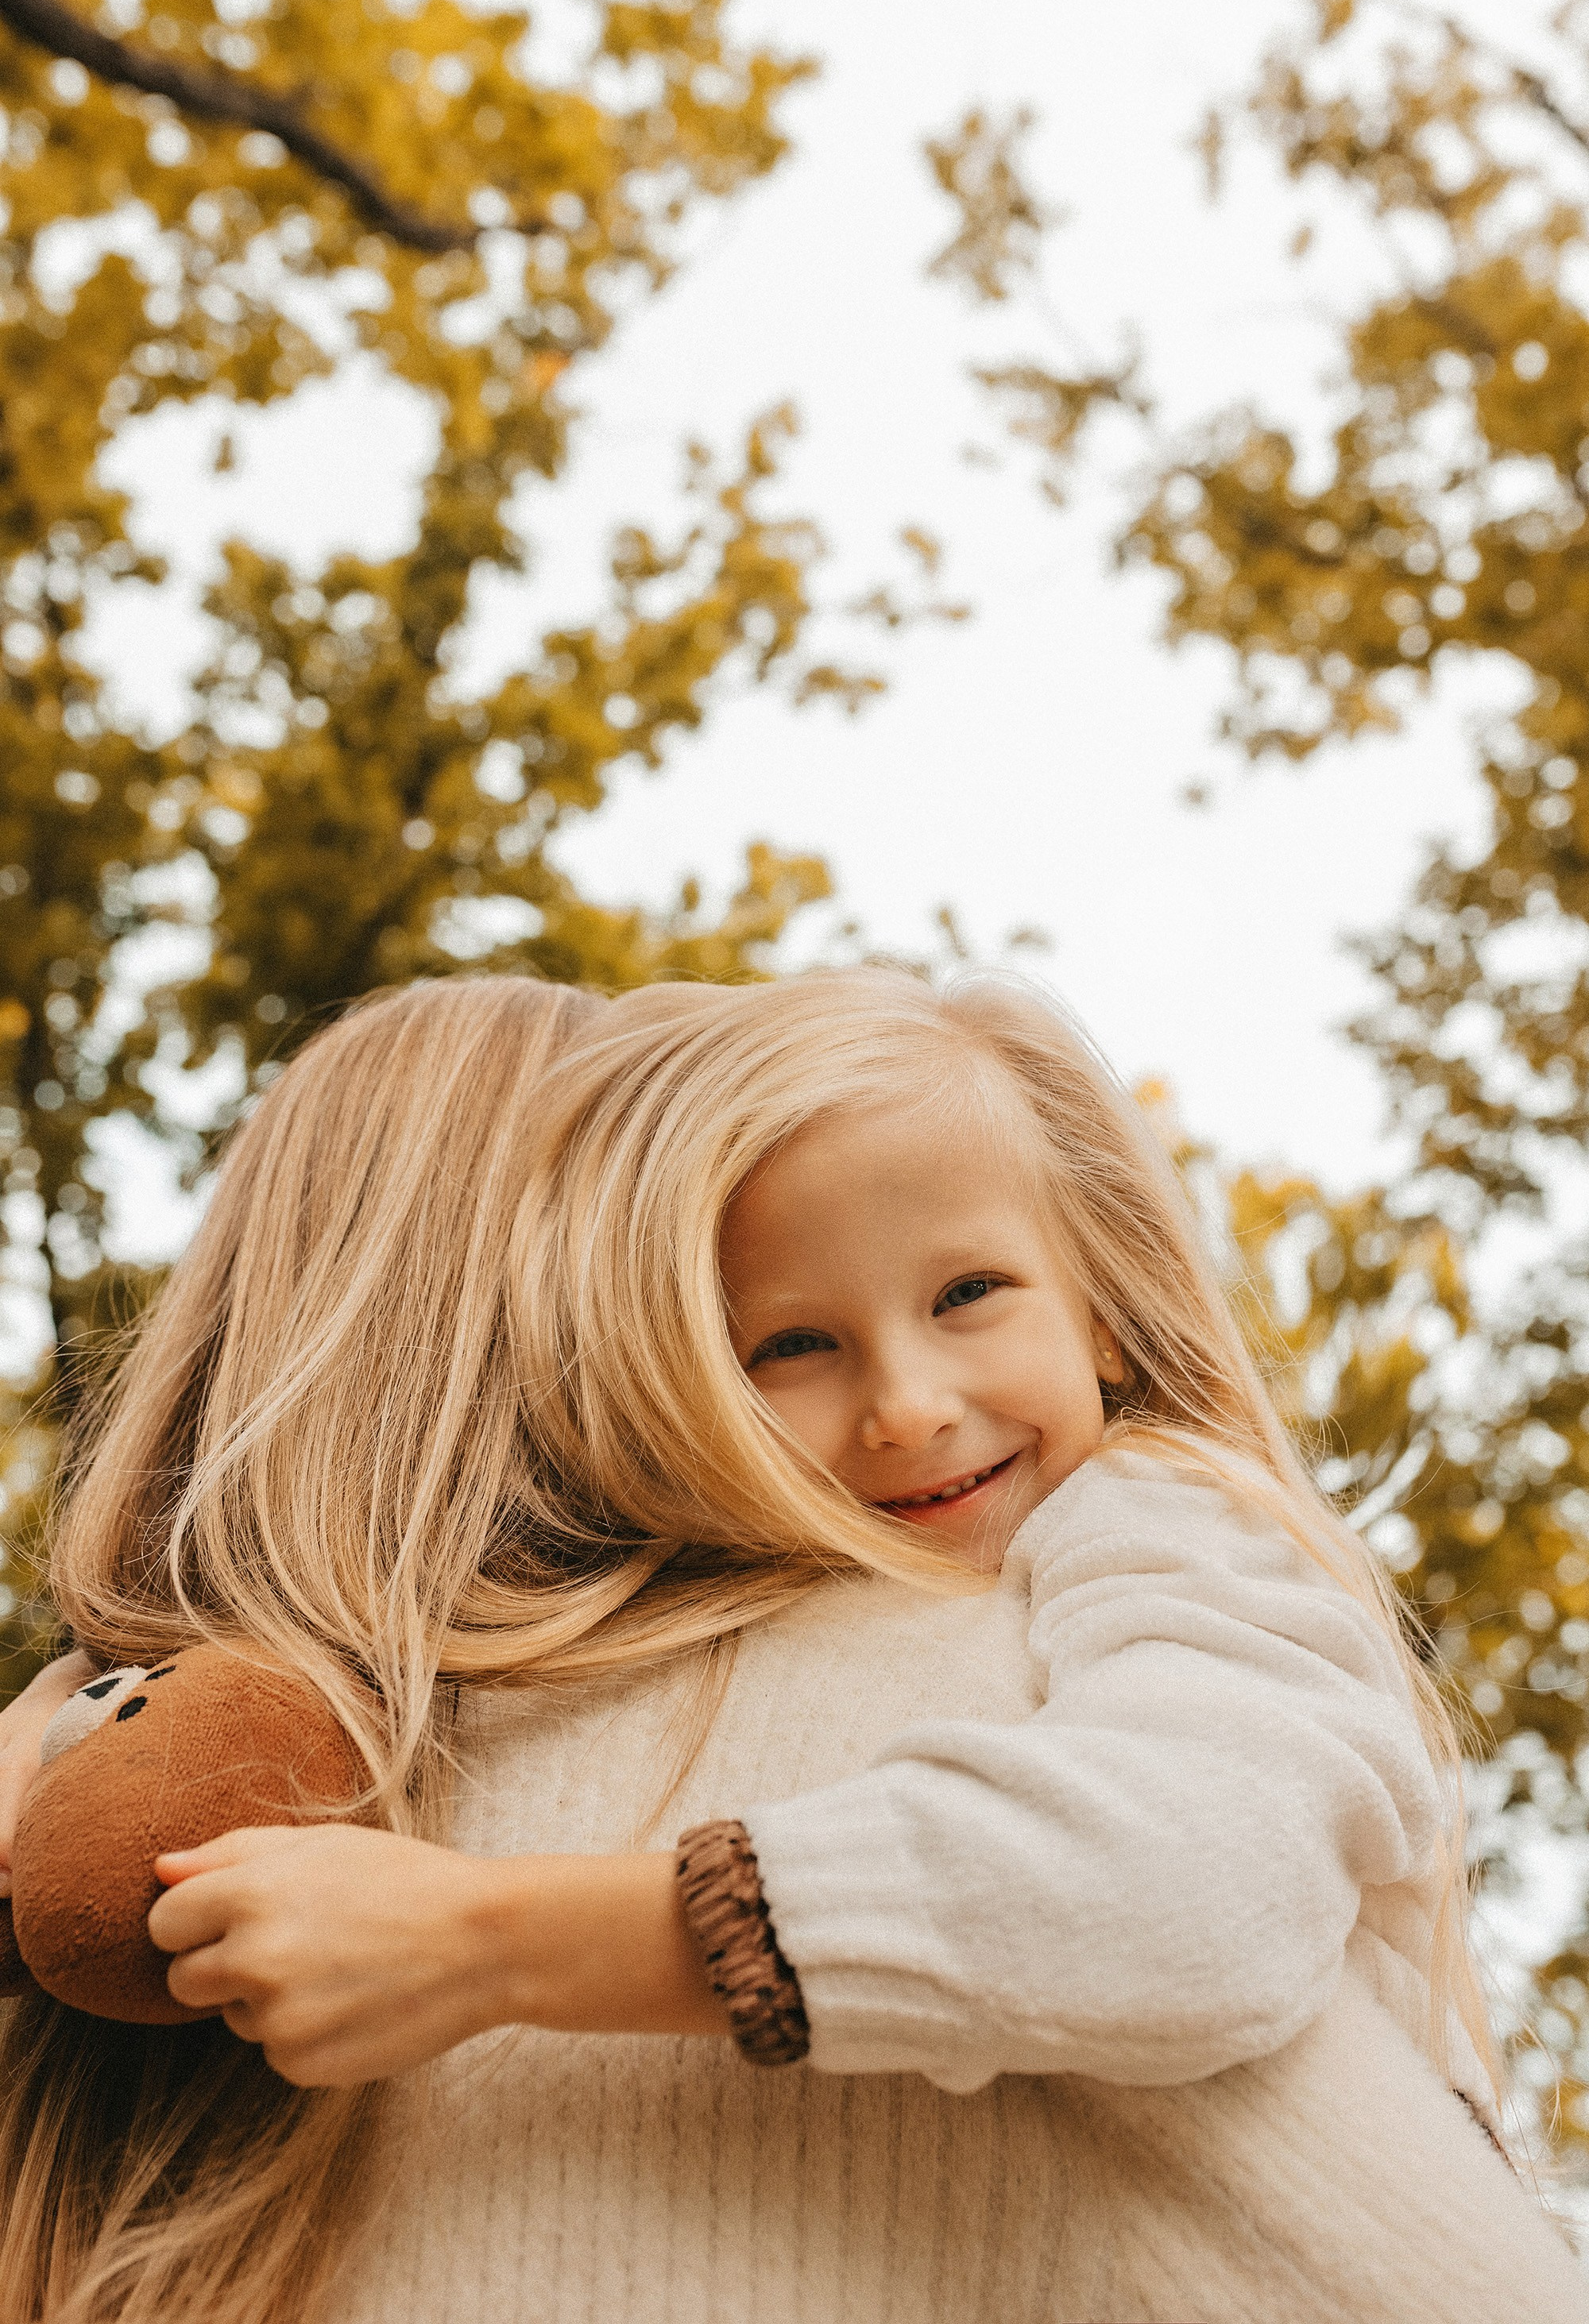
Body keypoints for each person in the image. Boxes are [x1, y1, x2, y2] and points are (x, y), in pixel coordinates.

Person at [1, 970, 1583, 2322]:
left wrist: (485, 1936)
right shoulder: (187, 1758)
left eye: (968, 1293)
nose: (904, 1407)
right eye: (784, 1345)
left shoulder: (1146, 1536)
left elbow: (1203, 1882)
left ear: (1101, 1308)